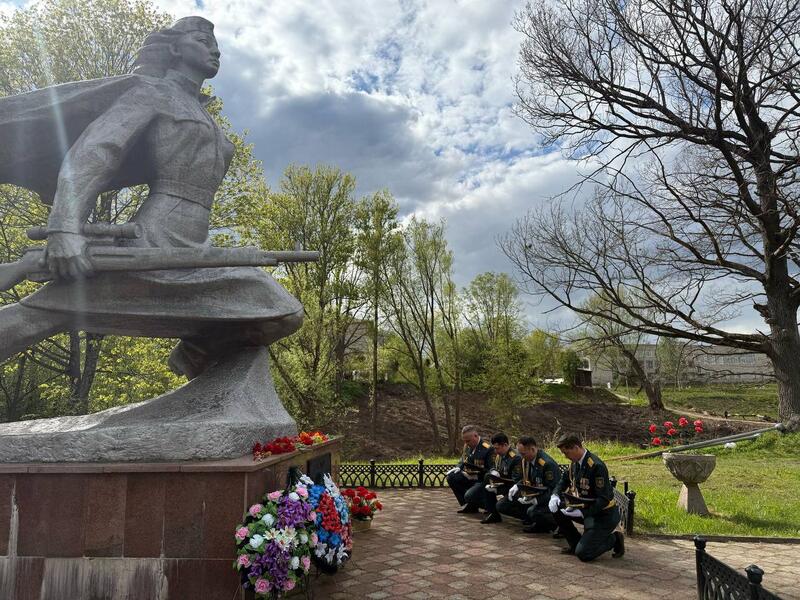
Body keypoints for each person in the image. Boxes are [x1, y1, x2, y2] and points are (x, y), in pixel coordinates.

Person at [0, 16, 302, 375]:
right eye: (201, 39)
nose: (215, 49)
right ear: (174, 48)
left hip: (192, 244)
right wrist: (63, 228)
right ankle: (193, 354)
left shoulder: (201, 113)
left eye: (216, 43)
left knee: (274, 310)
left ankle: (195, 353)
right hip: (153, 241)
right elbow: (96, 151)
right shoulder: (151, 92)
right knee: (276, 305)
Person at [548, 433, 625, 561]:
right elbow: (563, 482)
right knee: (555, 508)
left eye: (566, 452)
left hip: (602, 515)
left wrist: (583, 512)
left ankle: (615, 539)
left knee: (584, 554)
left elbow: (603, 499)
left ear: (576, 448)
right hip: (585, 509)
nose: (565, 456)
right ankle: (575, 543)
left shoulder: (596, 466)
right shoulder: (574, 464)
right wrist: (555, 495)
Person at [496, 436, 559, 532]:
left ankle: (552, 524)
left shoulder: (547, 464)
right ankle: (531, 519)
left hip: (546, 499)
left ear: (533, 449)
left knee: (533, 512)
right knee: (502, 505)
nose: (521, 456)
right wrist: (518, 485)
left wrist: (537, 500)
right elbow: (527, 478)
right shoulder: (526, 460)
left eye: (523, 453)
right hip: (531, 493)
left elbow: (553, 489)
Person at [446, 425, 494, 513]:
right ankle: (470, 504)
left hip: (481, 480)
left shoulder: (488, 449)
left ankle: (489, 506)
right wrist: (458, 467)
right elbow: (463, 459)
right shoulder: (467, 446)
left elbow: (491, 470)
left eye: (468, 441)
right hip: (468, 476)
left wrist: (476, 475)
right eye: (464, 441)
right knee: (451, 477)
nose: (466, 443)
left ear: (476, 436)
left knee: (469, 495)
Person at [479, 432, 522, 524]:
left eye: (497, 448)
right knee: (487, 478)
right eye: (494, 448)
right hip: (503, 482)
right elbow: (495, 467)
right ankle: (493, 513)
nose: (495, 451)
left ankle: (524, 517)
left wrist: (499, 484)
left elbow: (516, 479)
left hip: (513, 486)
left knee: (500, 503)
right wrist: (494, 472)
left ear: (505, 445)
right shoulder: (499, 455)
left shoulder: (515, 457)